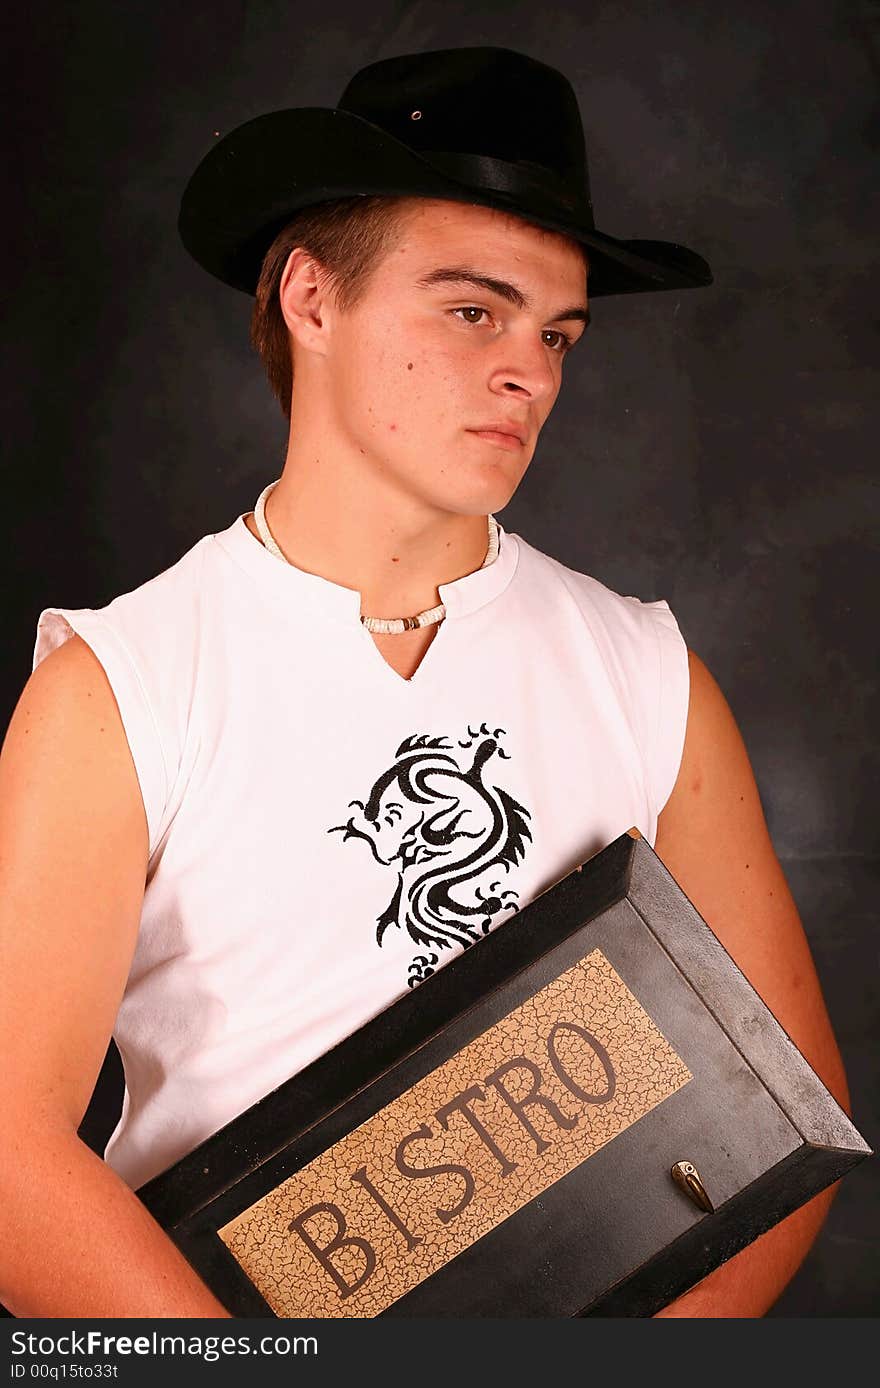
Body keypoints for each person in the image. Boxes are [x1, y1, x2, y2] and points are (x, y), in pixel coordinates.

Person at [0, 46, 850, 1319]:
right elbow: (10, 1155)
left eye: (556, 331)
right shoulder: (121, 687)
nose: (534, 371)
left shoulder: (647, 674)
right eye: (472, 310)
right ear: (311, 298)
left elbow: (782, 1114)